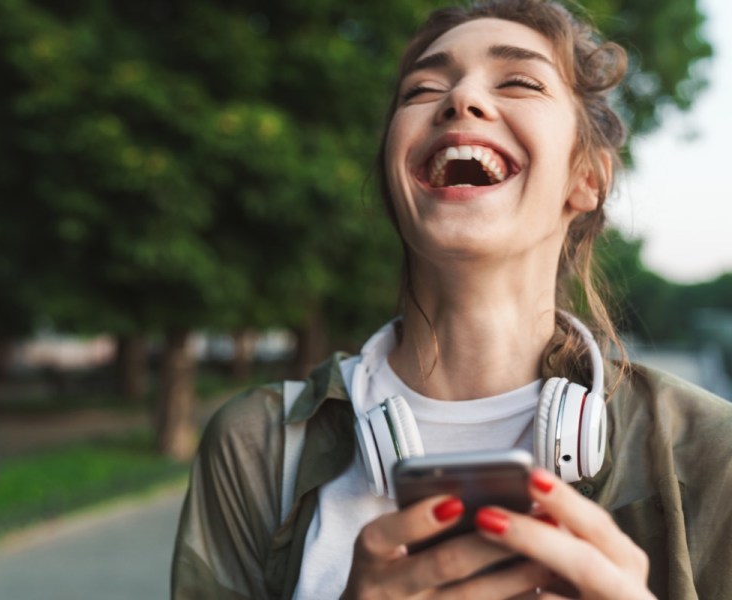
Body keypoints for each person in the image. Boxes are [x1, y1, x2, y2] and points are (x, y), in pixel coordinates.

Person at [171, 0, 732, 598]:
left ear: (586, 178)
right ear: (395, 173)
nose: (460, 100)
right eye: (422, 89)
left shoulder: (710, 449)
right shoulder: (257, 444)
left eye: (518, 81)